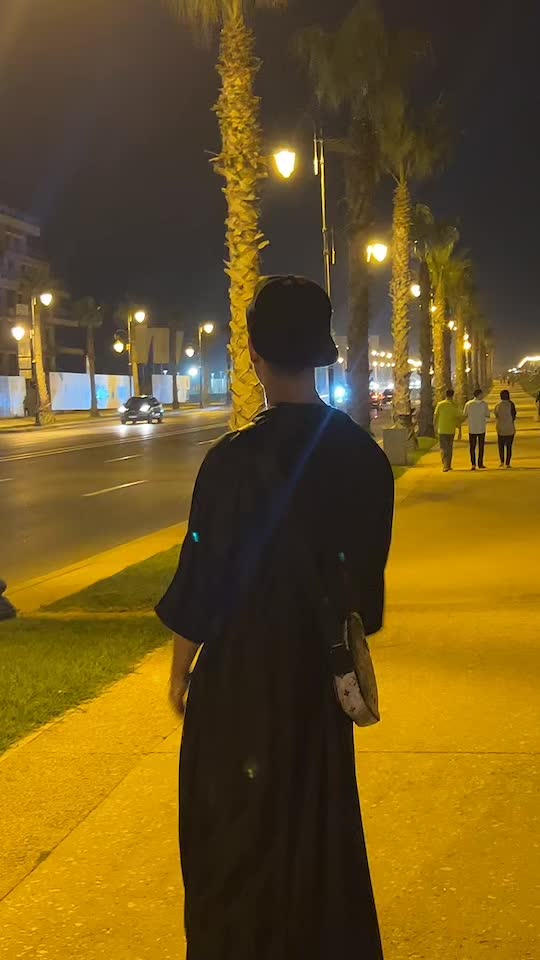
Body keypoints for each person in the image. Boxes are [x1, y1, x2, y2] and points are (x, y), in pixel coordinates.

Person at [156, 275, 394, 960]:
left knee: (230, 848)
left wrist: (180, 672)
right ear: (322, 352)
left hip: (238, 686)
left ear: (253, 354)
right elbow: (364, 598)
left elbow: (201, 578)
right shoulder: (365, 460)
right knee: (316, 844)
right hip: (317, 685)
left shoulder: (230, 463)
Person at [434, 388, 462, 472]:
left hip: (442, 429)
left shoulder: (440, 404)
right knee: (449, 448)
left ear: (445, 395)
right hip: (451, 430)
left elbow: (435, 416)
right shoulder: (454, 405)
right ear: (453, 395)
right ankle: (448, 465)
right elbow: (458, 419)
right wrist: (460, 431)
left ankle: (445, 464)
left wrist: (435, 426)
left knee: (443, 448)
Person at [464, 388, 490, 470]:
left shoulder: (468, 404)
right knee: (481, 447)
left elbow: (465, 414)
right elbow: (488, 414)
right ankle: (480, 463)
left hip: (472, 428)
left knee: (472, 447)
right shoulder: (484, 404)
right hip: (481, 428)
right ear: (479, 395)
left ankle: (473, 464)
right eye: (481, 394)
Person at [494, 389, 517, 468]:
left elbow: (496, 415)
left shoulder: (497, 405)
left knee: (501, 446)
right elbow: (514, 415)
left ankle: (502, 462)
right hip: (510, 428)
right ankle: (508, 463)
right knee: (509, 446)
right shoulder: (511, 404)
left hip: (500, 428)